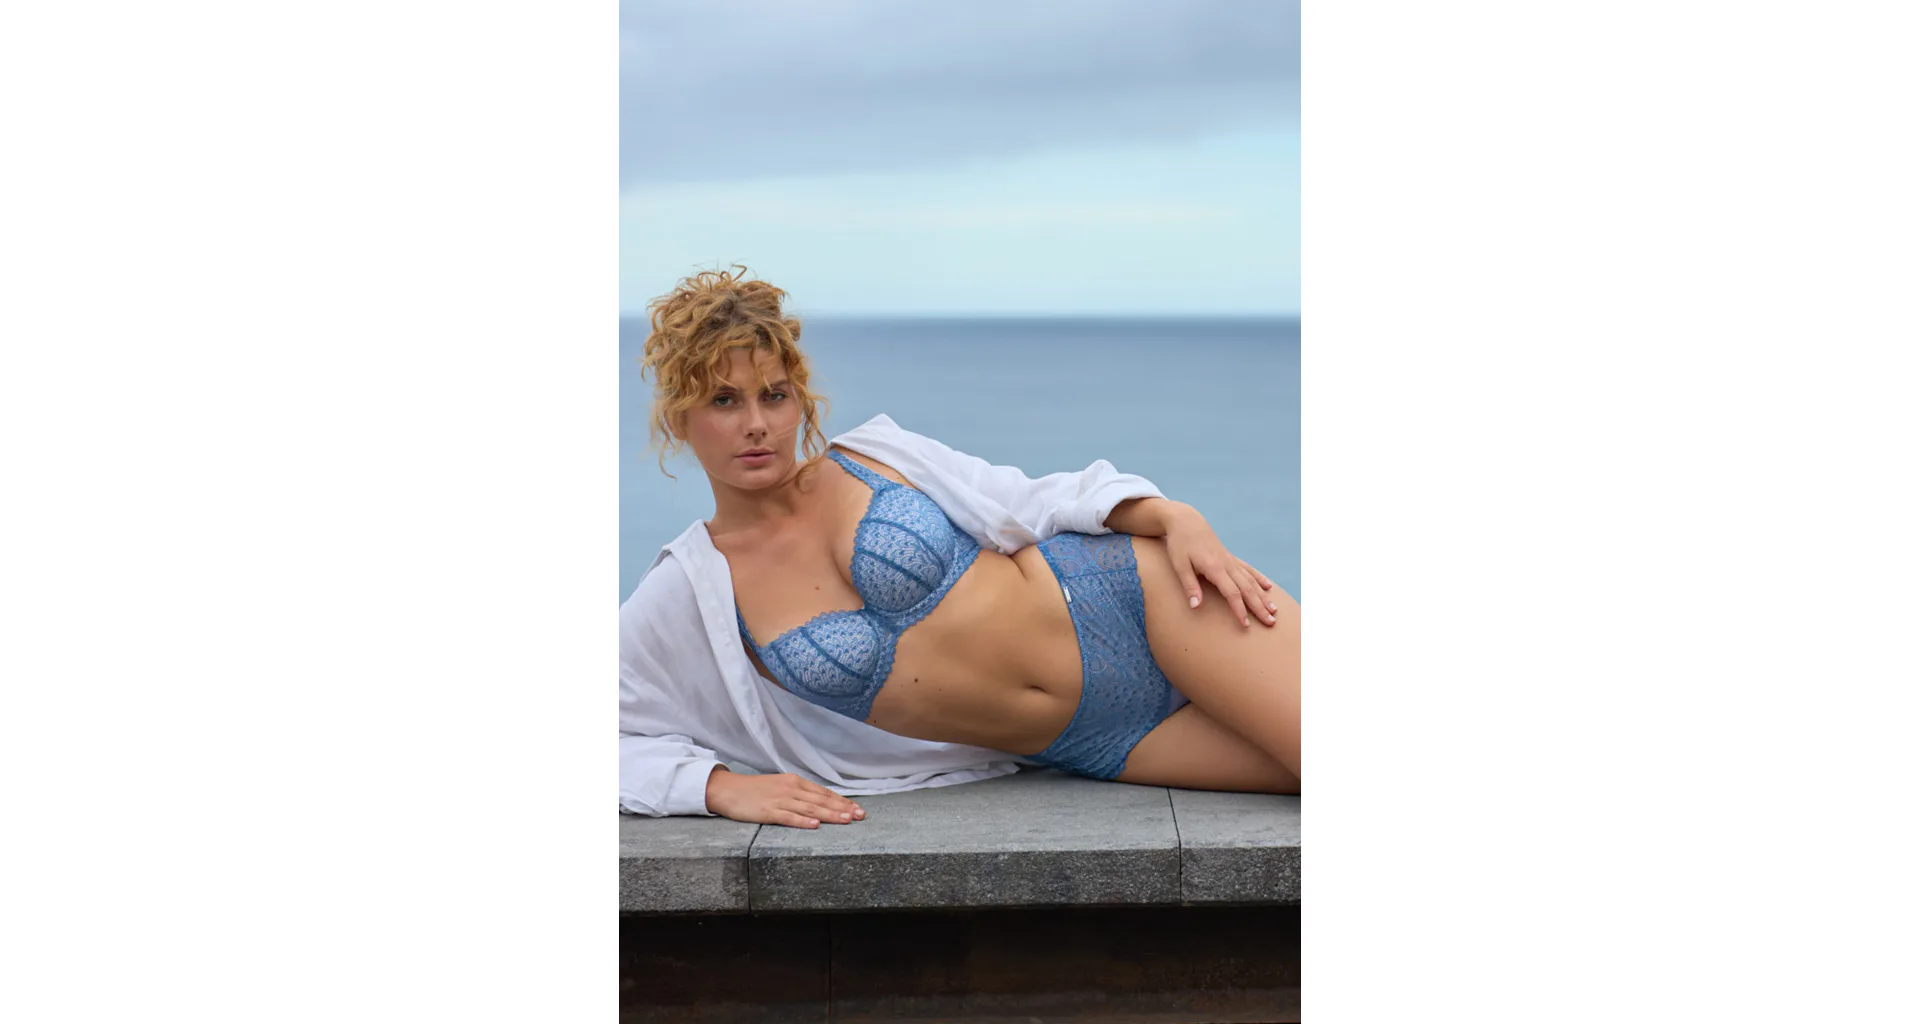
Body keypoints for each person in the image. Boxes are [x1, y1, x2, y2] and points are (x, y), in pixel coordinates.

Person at [620, 267, 1300, 830]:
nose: (757, 424)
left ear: (799, 400)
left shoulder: (875, 458)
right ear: (679, 419)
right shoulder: (692, 588)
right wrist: (717, 787)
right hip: (1098, 742)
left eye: (773, 396)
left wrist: (1172, 517)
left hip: (1141, 603)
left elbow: (1033, 498)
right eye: (724, 401)